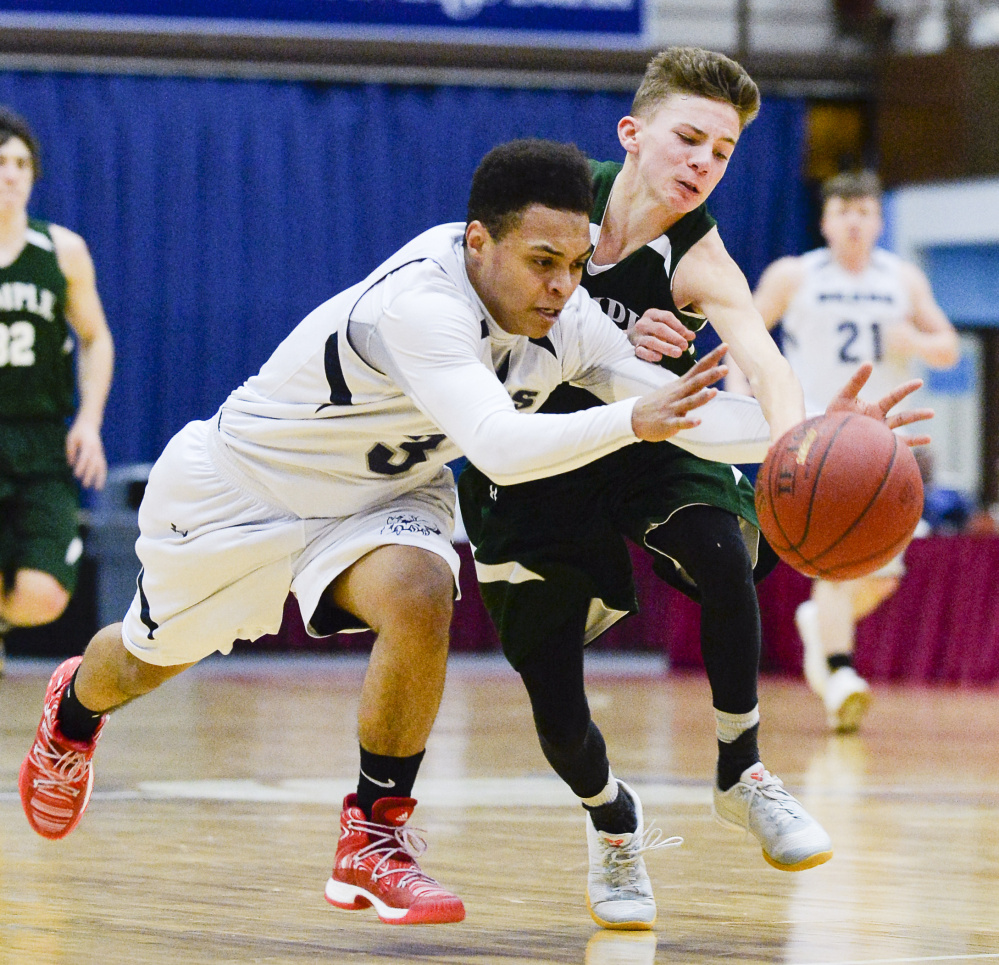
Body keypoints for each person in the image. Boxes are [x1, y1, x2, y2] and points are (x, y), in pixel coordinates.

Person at [20, 138, 784, 927]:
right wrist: (633, 420)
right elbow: (499, 447)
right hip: (243, 490)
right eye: (542, 261)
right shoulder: (421, 303)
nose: (562, 285)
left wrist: (801, 433)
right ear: (477, 241)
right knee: (142, 663)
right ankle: (72, 712)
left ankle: (373, 836)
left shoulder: (568, 313)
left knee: (422, 591)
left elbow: (680, 411)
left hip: (384, 493)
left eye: (577, 262)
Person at [457, 48, 931, 930]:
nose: (700, 165)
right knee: (557, 707)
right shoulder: (549, 206)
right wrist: (609, 329)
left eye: (721, 152)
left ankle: (739, 767)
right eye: (686, 140)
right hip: (532, 449)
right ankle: (611, 821)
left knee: (721, 546)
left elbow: (759, 354)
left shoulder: (698, 252)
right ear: (631, 135)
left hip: (652, 436)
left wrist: (808, 436)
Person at [741, 170, 958, 733]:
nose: (855, 221)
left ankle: (819, 626)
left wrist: (917, 343)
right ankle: (839, 674)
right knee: (842, 556)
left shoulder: (903, 279)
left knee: (883, 570)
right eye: (843, 211)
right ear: (826, 221)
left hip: (881, 441)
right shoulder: (795, 274)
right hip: (817, 436)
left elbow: (948, 348)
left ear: (879, 221)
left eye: (864, 211)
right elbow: (746, 336)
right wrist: (748, 405)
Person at [0, 107, 114, 676]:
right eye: (0, 162)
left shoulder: (62, 250)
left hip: (41, 441)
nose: (11, 174)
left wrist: (88, 420)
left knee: (43, 595)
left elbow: (95, 338)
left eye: (21, 163)